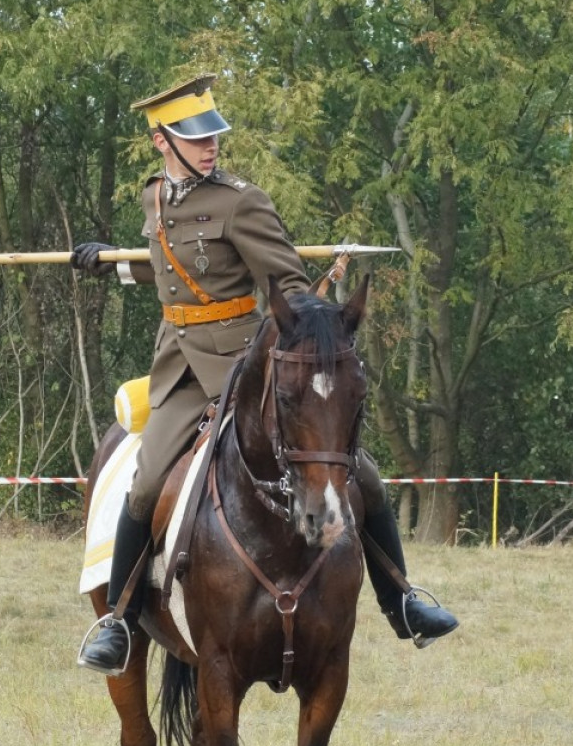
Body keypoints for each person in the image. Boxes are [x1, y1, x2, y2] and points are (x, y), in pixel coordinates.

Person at [71, 74, 458, 675]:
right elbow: (168, 268)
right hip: (179, 365)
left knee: (366, 478)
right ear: (160, 142)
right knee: (145, 484)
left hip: (242, 365)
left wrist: (311, 327)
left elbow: (288, 281)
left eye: (214, 135)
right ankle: (118, 624)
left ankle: (402, 601)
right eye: (194, 138)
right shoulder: (155, 197)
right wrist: (110, 265)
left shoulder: (241, 201)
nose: (210, 146)